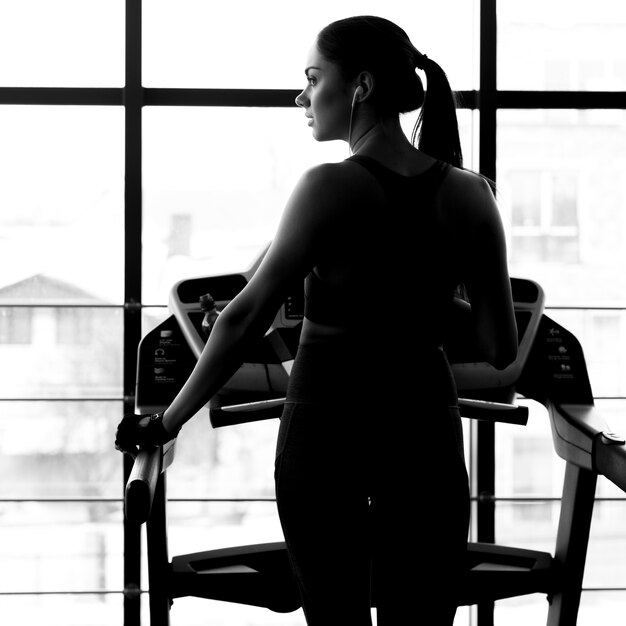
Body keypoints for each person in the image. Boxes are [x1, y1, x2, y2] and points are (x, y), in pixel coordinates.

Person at [115, 15, 518, 625]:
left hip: (329, 423)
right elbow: (497, 345)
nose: (302, 97)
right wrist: (419, 295)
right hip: (424, 424)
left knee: (336, 615)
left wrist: (166, 423)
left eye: (312, 78)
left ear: (358, 87)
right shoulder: (470, 194)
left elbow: (244, 317)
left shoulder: (327, 187)